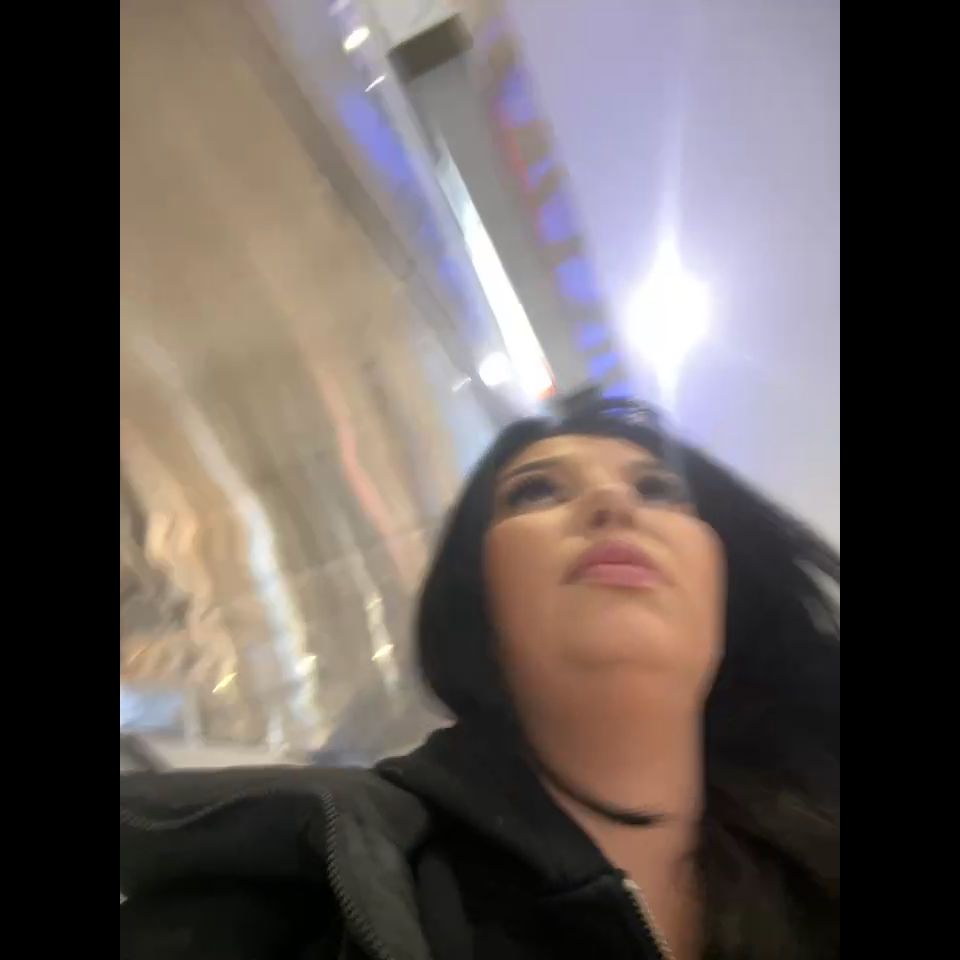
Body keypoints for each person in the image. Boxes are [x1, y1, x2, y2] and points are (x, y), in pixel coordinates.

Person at [120, 396, 840, 960]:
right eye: (536, 491)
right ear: (477, 601)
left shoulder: (816, 859)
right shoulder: (312, 878)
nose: (613, 504)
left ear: (725, 588)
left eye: (657, 489)